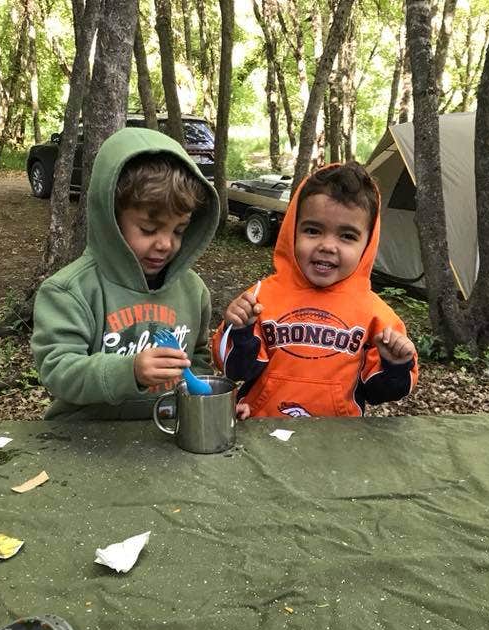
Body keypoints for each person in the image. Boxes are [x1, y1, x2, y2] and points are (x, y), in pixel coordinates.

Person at [32, 127, 220, 420]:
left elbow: (196, 360)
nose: (165, 244)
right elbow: (58, 370)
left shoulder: (193, 291)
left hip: (165, 433)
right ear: (111, 218)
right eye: (148, 229)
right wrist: (129, 371)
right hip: (83, 436)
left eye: (179, 230)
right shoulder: (70, 291)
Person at [214, 162, 418, 418]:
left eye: (347, 236)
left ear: (367, 244)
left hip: (336, 436)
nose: (327, 246)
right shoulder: (259, 298)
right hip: (262, 429)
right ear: (292, 231)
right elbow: (235, 371)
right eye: (313, 230)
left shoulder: (376, 315)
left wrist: (395, 366)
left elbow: (379, 393)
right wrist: (241, 331)